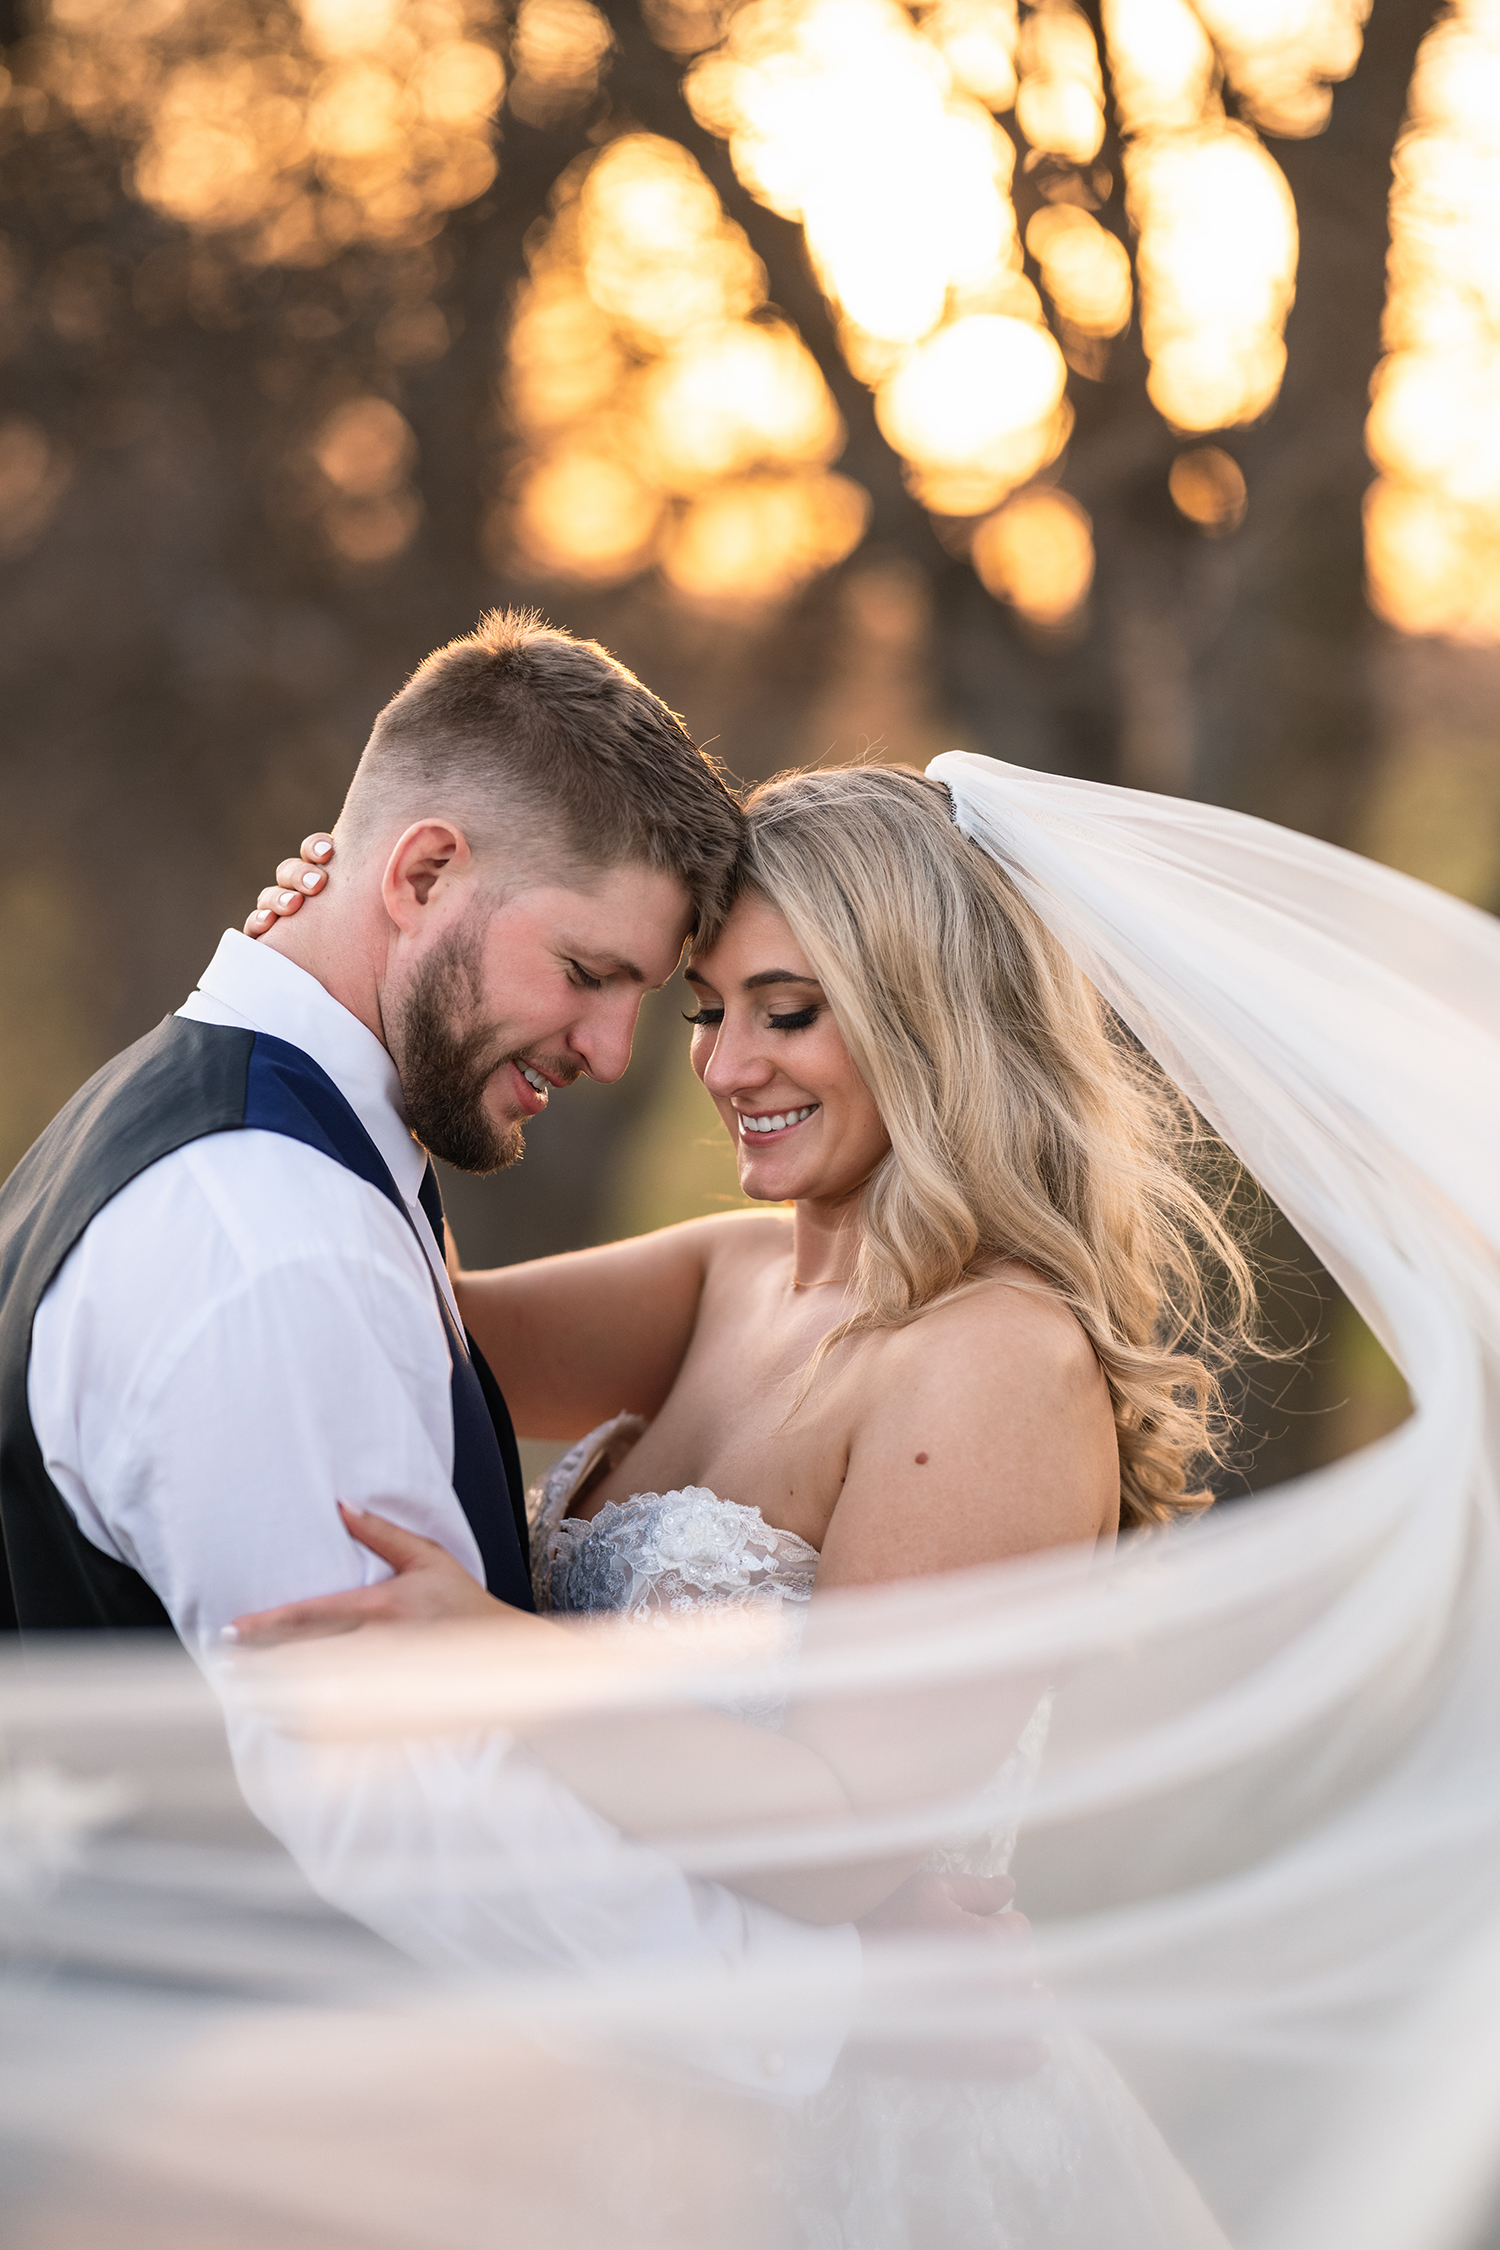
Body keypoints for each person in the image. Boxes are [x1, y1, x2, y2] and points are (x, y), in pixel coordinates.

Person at [2, 610, 1032, 2107]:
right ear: (419, 873)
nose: (631, 1055)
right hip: (229, 2116)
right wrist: (836, 2004)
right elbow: (402, 1807)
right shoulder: (276, 1233)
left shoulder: (252, 1155)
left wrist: (317, 934)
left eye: (762, 1008)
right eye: (598, 974)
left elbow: (435, 1332)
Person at [236, 760, 1253, 2246]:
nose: (722, 1065)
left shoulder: (997, 1362)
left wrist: (493, 1659)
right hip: (610, 2075)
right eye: (711, 1010)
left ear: (928, 1013)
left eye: (789, 1010)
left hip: (849, 2140)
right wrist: (323, 983)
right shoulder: (734, 1274)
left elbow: (847, 1836)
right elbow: (376, 1301)